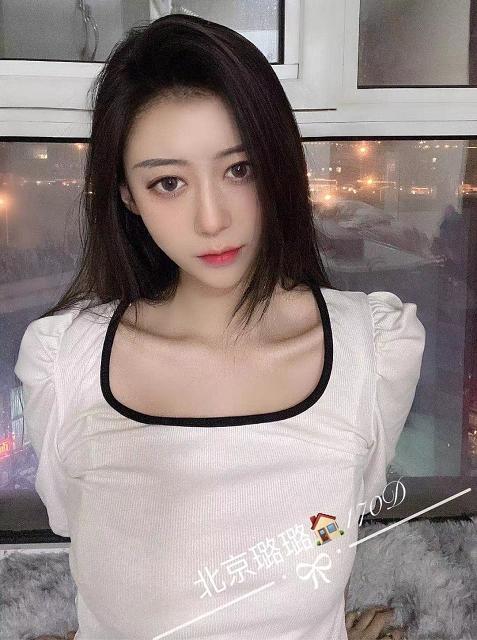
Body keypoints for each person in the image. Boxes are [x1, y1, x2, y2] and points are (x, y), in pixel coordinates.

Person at [15, 14, 424, 640]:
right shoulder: (66, 365)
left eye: (240, 169)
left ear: (279, 166)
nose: (212, 219)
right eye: (168, 182)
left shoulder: (372, 352)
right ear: (126, 195)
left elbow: (334, 520)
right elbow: (88, 536)